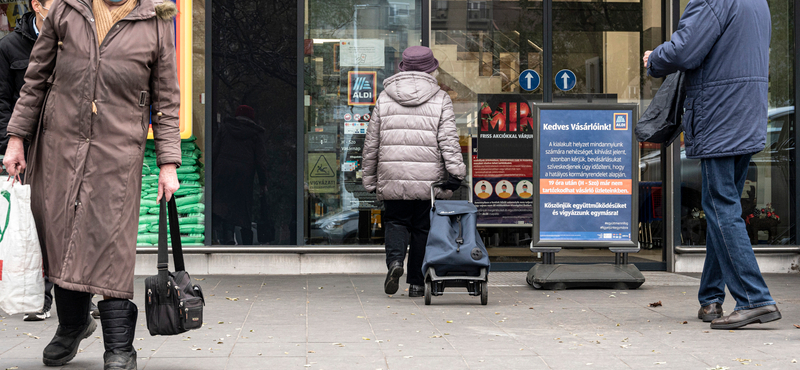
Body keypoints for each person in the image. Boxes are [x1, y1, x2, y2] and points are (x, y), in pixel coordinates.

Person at [2, 0, 181, 368]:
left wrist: (168, 162)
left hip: (118, 151)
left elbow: (166, 98)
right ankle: (72, 325)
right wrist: (17, 138)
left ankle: (119, 346)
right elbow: (35, 79)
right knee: (61, 235)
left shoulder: (156, 19)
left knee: (111, 241)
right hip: (59, 145)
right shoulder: (66, 9)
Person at [644, 0, 779, 329]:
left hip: (720, 114)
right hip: (747, 113)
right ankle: (711, 299)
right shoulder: (758, 3)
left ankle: (754, 298)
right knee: (725, 205)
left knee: (720, 205)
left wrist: (654, 58)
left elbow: (684, 51)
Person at [362, 46, 466, 297]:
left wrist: (369, 179)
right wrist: (456, 174)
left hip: (392, 175)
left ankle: (396, 263)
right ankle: (417, 284)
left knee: (396, 222)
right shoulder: (441, 98)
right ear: (432, 69)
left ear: (403, 68)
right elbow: (449, 140)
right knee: (422, 229)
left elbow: (371, 142)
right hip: (427, 180)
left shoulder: (384, 98)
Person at [0, 0, 57, 322]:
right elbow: (2, 101)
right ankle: (40, 297)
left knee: (73, 221)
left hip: (68, 147)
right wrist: (11, 144)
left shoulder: (74, 42)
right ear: (37, 5)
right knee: (36, 224)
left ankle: (79, 295)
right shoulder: (9, 47)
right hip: (30, 149)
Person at [211, 104, 268, 245]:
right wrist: (263, 183)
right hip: (244, 174)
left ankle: (226, 236)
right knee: (242, 207)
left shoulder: (225, 128)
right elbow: (261, 161)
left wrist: (210, 172)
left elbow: (214, 151)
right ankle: (246, 243)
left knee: (223, 203)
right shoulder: (255, 133)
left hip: (222, 171)